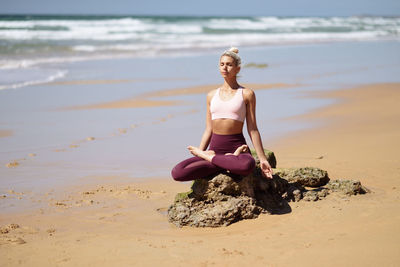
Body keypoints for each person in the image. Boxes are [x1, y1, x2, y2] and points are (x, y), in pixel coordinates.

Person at [171, 47, 273, 181]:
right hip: (214, 150)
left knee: (247, 165)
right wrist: (200, 154)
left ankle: (218, 160)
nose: (225, 67)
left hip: (238, 148)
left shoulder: (246, 94)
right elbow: (209, 129)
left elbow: (253, 129)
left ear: (238, 69)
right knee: (178, 172)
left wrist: (263, 159)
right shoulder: (211, 95)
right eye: (222, 64)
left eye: (229, 65)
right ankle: (224, 160)